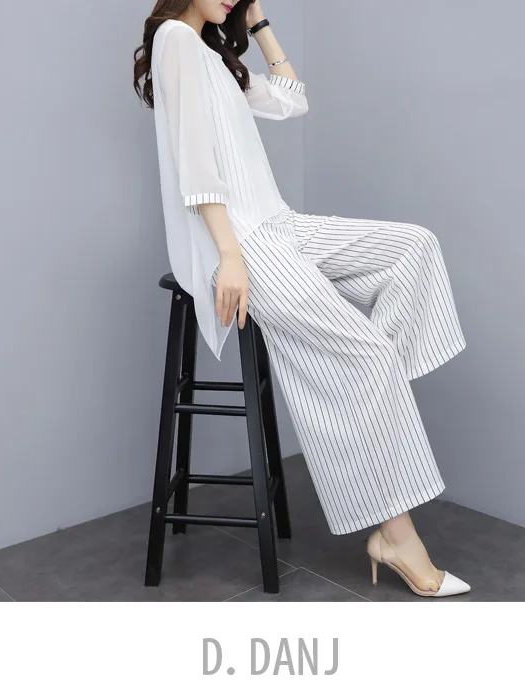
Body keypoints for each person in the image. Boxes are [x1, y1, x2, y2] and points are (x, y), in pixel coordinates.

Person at [133, 0, 471, 597]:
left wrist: (258, 25)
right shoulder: (175, 41)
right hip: (243, 244)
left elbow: (294, 100)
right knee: (368, 359)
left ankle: (371, 394)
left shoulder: (214, 54)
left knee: (413, 249)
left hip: (281, 225)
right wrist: (229, 256)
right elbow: (195, 164)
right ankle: (396, 534)